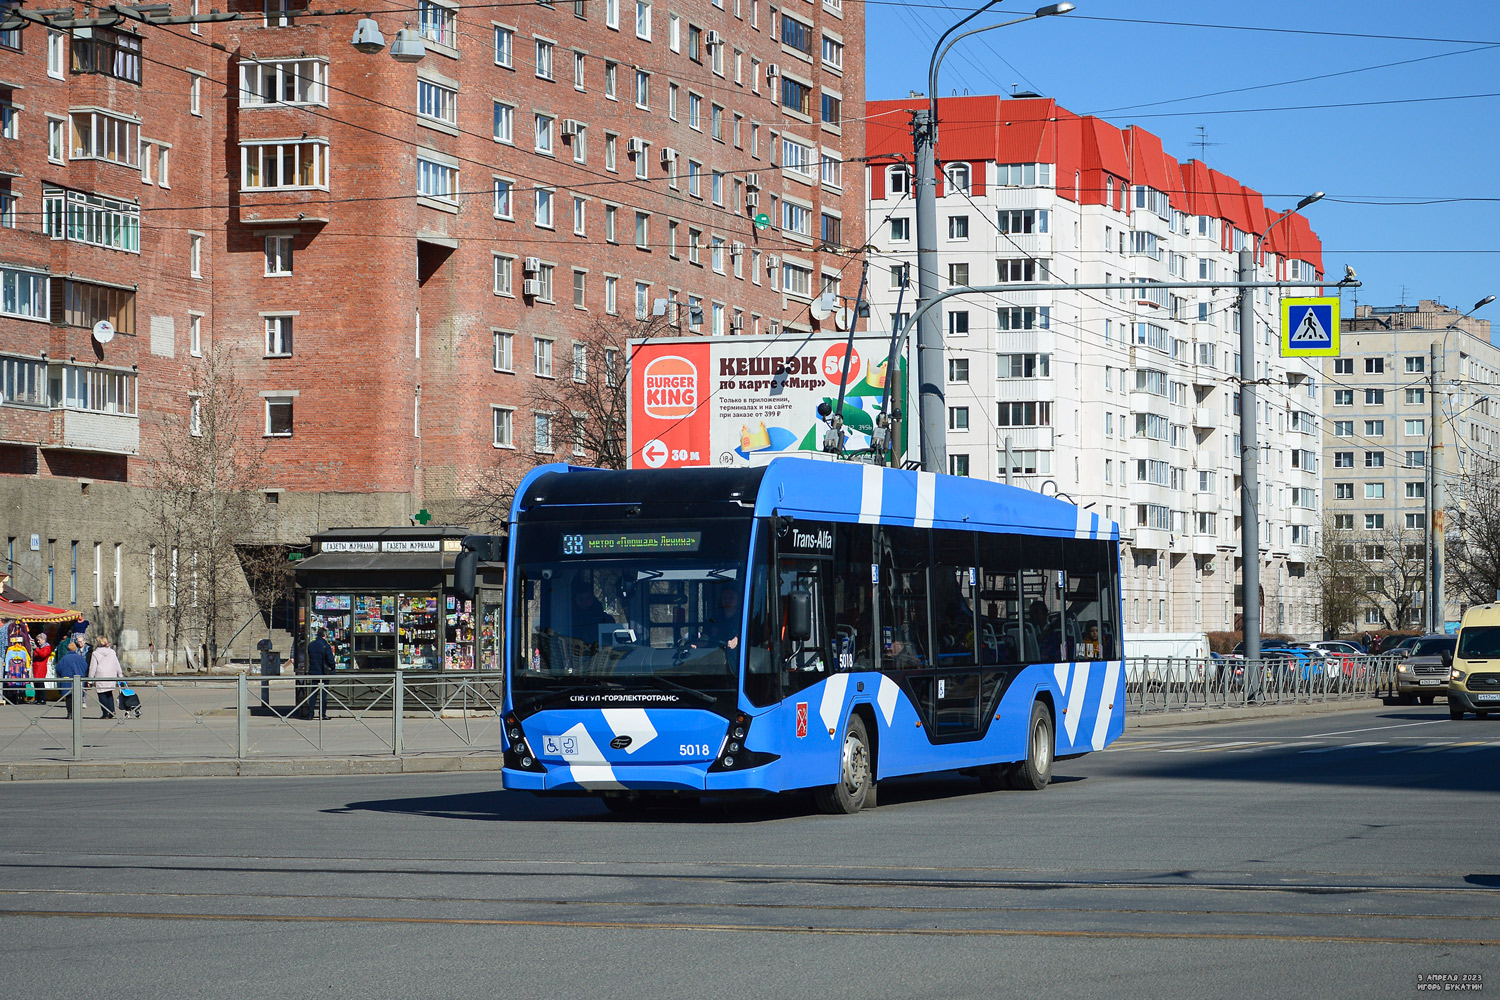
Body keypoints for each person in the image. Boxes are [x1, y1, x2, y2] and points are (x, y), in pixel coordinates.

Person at [87, 635, 124, 719]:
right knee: (109, 693)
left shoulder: (95, 653)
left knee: (101, 694)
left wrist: (90, 680)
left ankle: (105, 713)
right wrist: (120, 675)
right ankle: (112, 710)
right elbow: (117, 664)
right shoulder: (112, 652)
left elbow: (92, 668)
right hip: (111, 674)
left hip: (100, 675)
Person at [306, 628, 336, 720]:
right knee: (323, 694)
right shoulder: (325, 645)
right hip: (324, 673)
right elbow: (330, 660)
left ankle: (310, 713)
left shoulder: (311, 645)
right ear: (325, 635)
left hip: (314, 672)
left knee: (313, 693)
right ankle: (322, 714)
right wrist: (333, 667)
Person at [54, 637, 88, 718]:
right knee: (77, 697)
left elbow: (58, 668)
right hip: (79, 679)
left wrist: (62, 675)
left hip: (67, 680)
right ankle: (77, 714)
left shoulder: (64, 658)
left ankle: (70, 713)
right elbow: (85, 667)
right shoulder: (80, 658)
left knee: (69, 697)